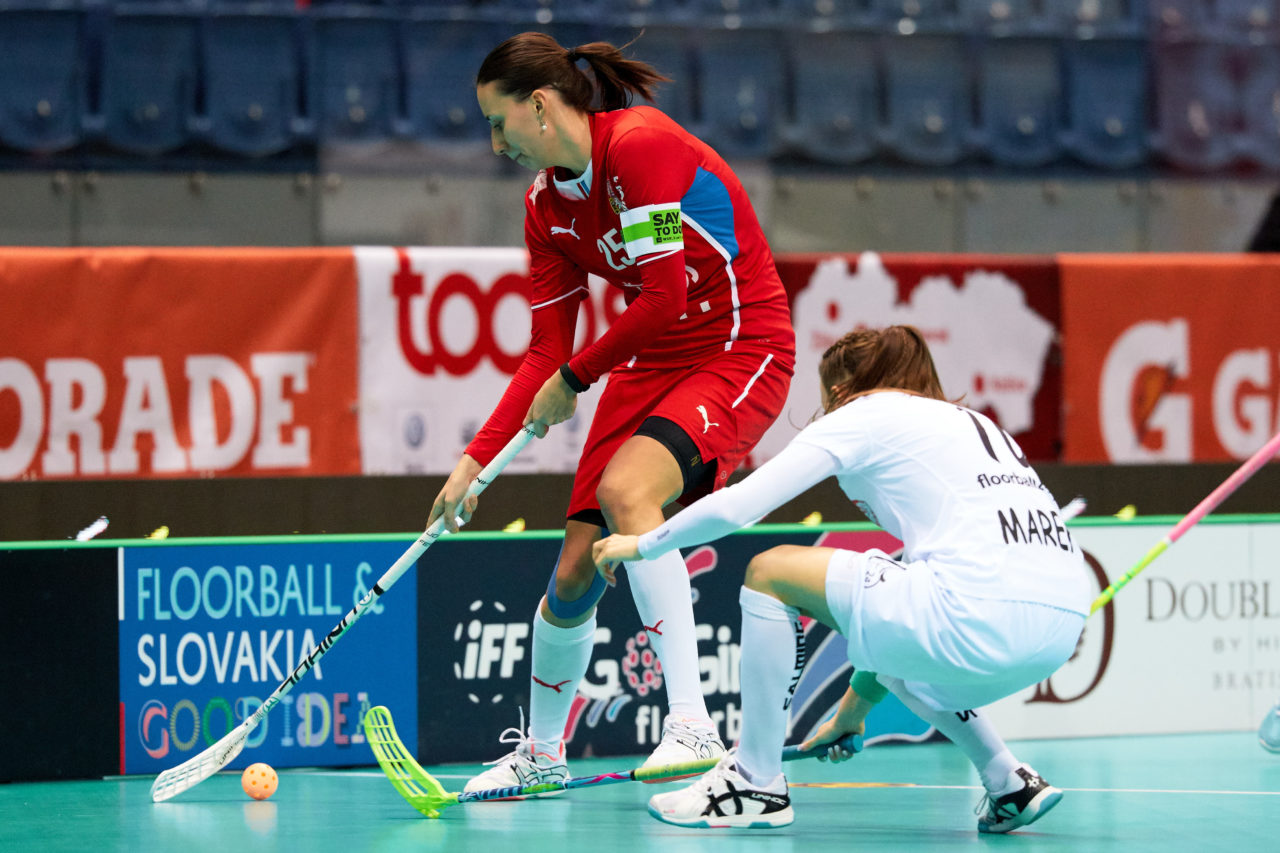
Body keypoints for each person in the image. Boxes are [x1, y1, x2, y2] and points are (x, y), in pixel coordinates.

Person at [431, 32, 796, 795]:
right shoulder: (545, 212)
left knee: (631, 494)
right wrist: (472, 463)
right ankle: (540, 753)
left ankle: (693, 721)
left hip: (738, 342)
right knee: (571, 575)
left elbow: (663, 295)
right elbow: (543, 357)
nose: (496, 145)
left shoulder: (640, 149)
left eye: (499, 123)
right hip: (650, 359)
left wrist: (578, 374)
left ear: (538, 106)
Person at [593, 325, 1091, 832]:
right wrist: (850, 712)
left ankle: (755, 780)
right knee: (905, 618)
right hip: (1061, 631)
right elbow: (898, 626)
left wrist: (645, 542)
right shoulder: (970, 423)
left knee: (771, 571)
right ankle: (1009, 779)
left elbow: (743, 505)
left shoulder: (865, 413)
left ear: (836, 391)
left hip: (977, 611)